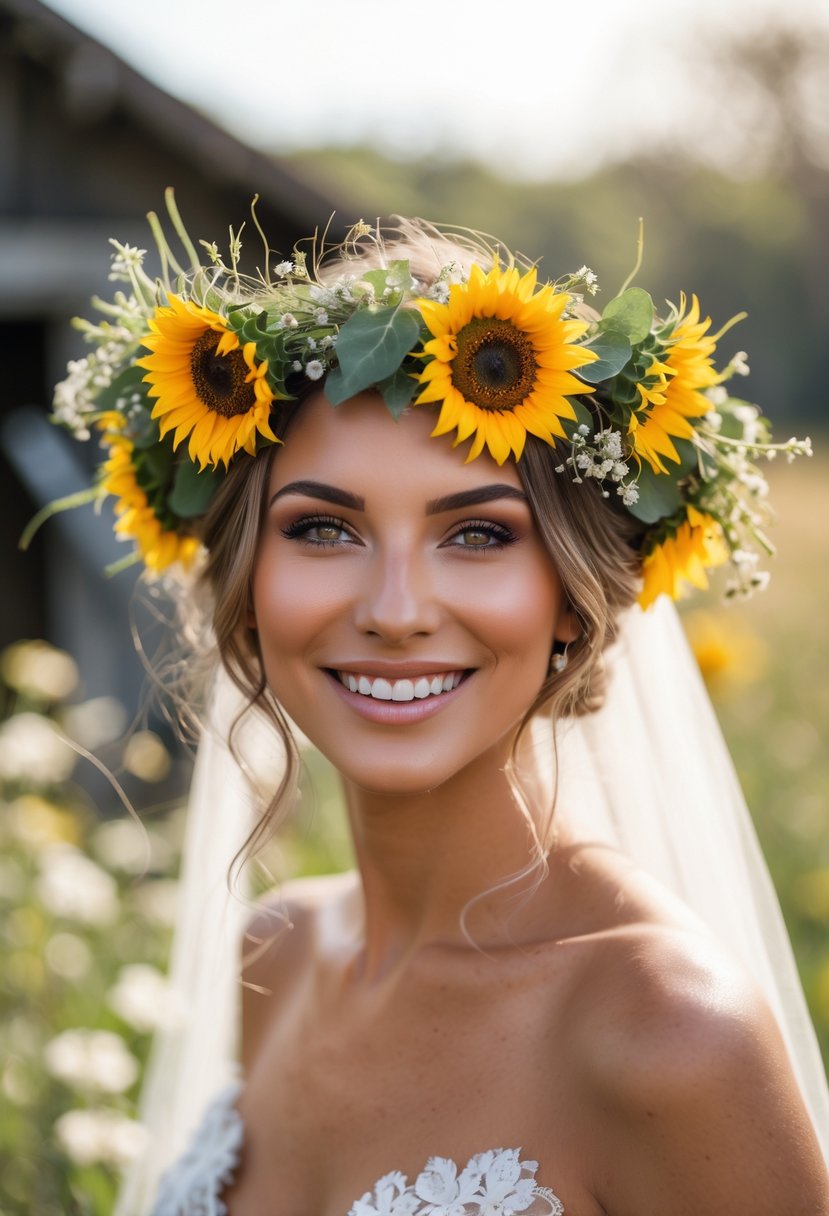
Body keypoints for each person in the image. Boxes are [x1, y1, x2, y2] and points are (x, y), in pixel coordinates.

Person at [48, 200, 829, 1214]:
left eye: (477, 535)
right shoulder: (273, 955)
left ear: (573, 591)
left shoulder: (666, 1030)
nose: (396, 611)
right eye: (324, 529)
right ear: (245, 578)